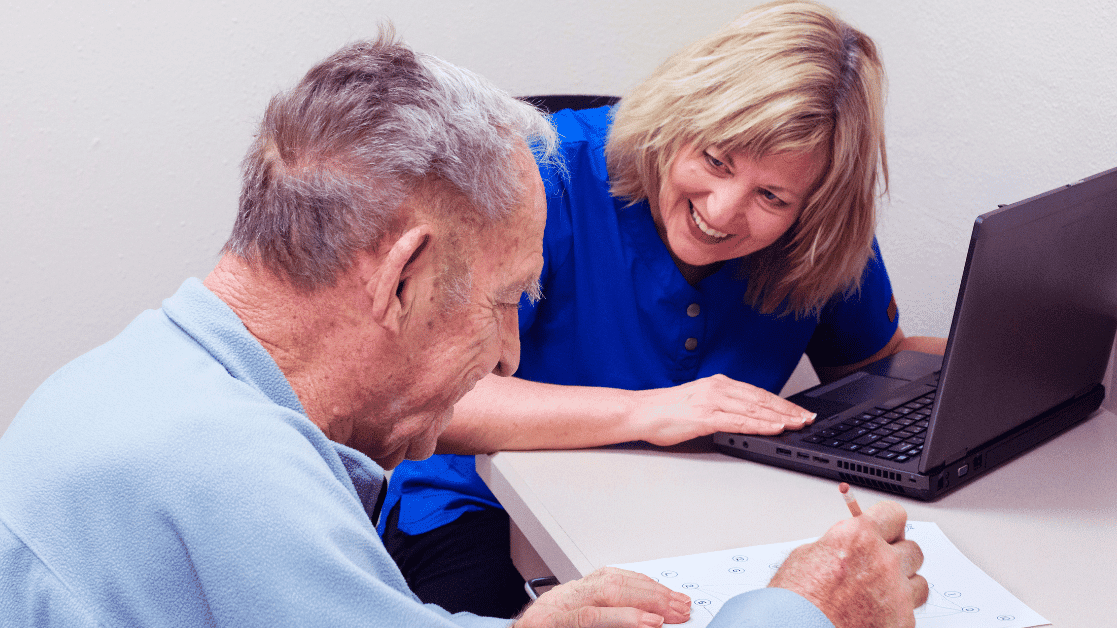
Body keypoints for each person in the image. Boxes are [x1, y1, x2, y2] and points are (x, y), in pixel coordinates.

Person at [0, 24, 925, 628]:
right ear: (403, 276)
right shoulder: (228, 473)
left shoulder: (137, 385)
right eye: (499, 301)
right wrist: (810, 612)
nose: (509, 350)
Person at [382, 0, 946, 620]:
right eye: (715, 160)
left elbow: (879, 366)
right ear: (677, 119)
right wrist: (651, 410)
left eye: (771, 196)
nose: (724, 210)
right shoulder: (543, 179)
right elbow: (430, 395)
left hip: (702, 517)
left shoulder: (826, 235)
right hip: (483, 509)